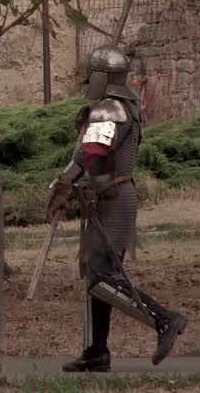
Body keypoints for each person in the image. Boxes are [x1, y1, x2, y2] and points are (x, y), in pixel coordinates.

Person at [46, 45, 187, 372]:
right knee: (96, 276)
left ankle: (165, 320)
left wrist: (64, 185)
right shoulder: (117, 106)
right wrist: (64, 181)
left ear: (101, 76)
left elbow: (91, 152)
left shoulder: (110, 109)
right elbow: (87, 153)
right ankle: (97, 352)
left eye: (91, 74)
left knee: (102, 279)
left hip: (114, 199)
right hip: (105, 198)